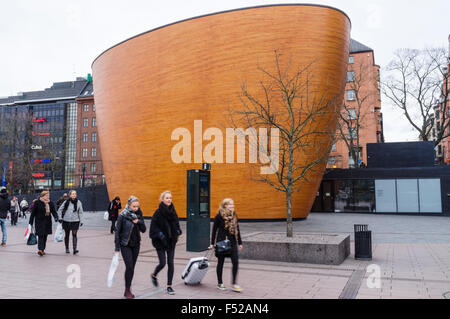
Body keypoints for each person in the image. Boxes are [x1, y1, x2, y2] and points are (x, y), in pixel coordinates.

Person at [149, 191, 182, 295]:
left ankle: (169, 286)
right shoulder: (158, 213)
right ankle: (154, 275)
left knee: (171, 263)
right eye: (167, 198)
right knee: (163, 263)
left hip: (171, 241)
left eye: (170, 198)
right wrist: (160, 234)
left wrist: (177, 231)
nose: (169, 200)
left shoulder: (173, 211)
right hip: (160, 242)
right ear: (162, 199)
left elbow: (177, 224)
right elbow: (152, 229)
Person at [114, 196, 146, 299]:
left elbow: (144, 229)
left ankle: (127, 289)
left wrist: (139, 221)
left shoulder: (139, 214)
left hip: (136, 244)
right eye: (134, 206)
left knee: (132, 268)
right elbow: (117, 231)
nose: (136, 208)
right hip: (125, 244)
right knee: (130, 267)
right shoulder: (122, 215)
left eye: (137, 206)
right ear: (128, 205)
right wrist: (117, 247)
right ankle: (127, 290)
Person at [209, 198, 243, 293]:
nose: (232, 206)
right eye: (230, 204)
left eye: (233, 204)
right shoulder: (219, 216)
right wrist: (212, 243)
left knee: (235, 262)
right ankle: (220, 283)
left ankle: (234, 284)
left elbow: (237, 229)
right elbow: (214, 230)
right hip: (222, 242)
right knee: (221, 262)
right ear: (225, 206)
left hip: (232, 242)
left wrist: (240, 242)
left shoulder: (234, 215)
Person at [29, 191, 59, 256]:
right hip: (39, 221)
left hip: (47, 222)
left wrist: (56, 217)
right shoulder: (37, 202)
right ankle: (40, 249)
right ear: (42, 196)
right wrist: (30, 222)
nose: (48, 196)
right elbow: (33, 213)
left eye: (48, 195)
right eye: (46, 195)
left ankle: (42, 249)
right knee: (40, 235)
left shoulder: (50, 203)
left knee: (45, 236)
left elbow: (53, 211)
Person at [58, 190, 83, 255]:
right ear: (70, 195)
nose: (74, 195)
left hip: (75, 221)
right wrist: (60, 218)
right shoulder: (66, 202)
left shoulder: (78, 202)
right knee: (67, 234)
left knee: (74, 234)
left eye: (75, 194)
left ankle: (74, 249)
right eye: (73, 194)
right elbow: (60, 210)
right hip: (66, 221)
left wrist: (81, 221)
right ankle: (67, 248)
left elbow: (80, 212)